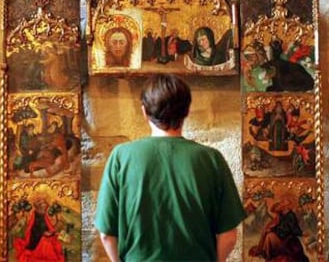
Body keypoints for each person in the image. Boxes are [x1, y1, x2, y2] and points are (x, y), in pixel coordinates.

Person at [94, 73, 245, 262]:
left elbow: (106, 235)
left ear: (144, 111)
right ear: (187, 111)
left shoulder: (121, 157)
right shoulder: (211, 159)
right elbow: (229, 237)